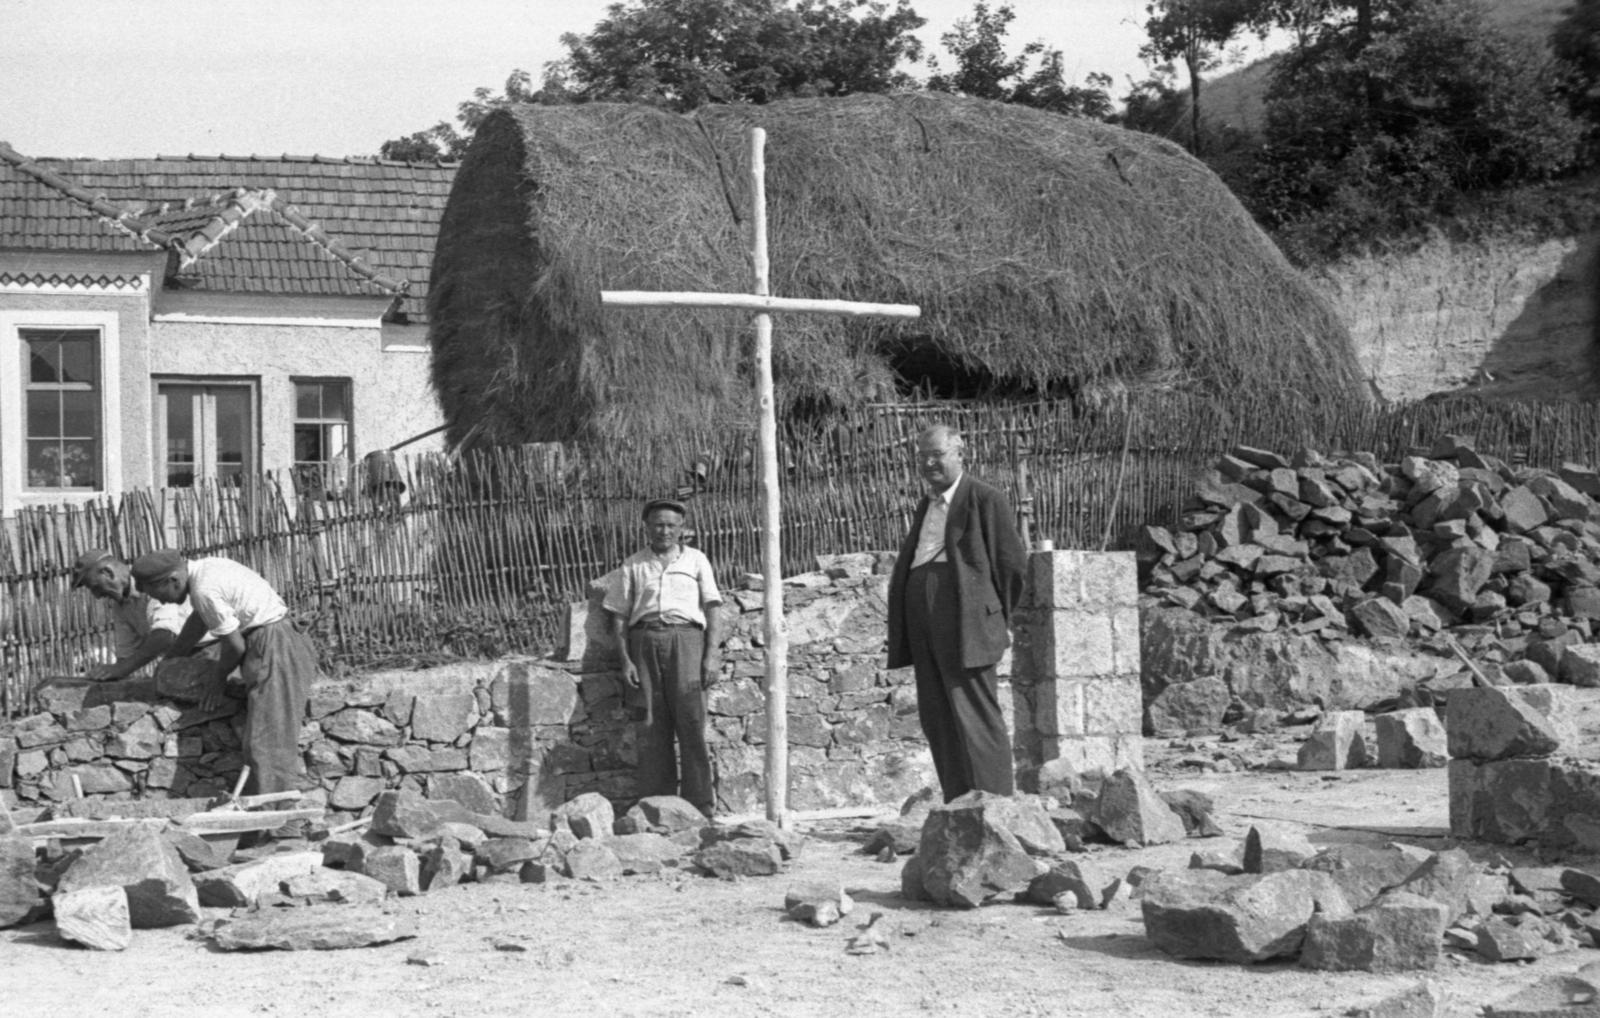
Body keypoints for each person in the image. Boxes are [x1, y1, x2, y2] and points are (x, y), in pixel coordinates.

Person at [887, 425, 1028, 802]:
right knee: (938, 713)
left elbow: (1011, 566)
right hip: (923, 618)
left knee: (975, 710)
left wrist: (988, 615)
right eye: (922, 457)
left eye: (937, 454)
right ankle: (959, 800)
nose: (929, 463)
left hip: (964, 620)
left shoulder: (984, 498)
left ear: (960, 454)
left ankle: (994, 803)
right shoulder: (927, 504)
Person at [132, 549, 317, 796]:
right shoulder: (208, 568)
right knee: (262, 740)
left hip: (276, 645)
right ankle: (267, 820)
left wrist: (216, 681)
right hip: (272, 641)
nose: (162, 603)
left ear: (173, 580)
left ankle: (281, 826)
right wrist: (173, 657)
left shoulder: (204, 589)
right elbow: (200, 620)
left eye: (158, 594)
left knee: (269, 742)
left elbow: (234, 645)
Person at [602, 497, 724, 817]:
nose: (664, 531)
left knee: (692, 722)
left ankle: (700, 808)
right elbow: (617, 617)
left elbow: (712, 609)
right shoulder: (632, 565)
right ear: (647, 527)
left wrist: (711, 656)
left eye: (671, 525)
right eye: (658, 524)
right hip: (644, 641)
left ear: (681, 529)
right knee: (650, 724)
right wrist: (625, 660)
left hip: (687, 640)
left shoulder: (697, 560)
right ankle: (657, 808)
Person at [69, 548, 211, 681]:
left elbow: (165, 636)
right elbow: (125, 656)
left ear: (108, 572)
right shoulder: (121, 607)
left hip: (211, 649)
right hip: (181, 658)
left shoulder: (151, 584)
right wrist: (109, 673)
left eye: (96, 587)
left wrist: (122, 669)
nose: (98, 596)